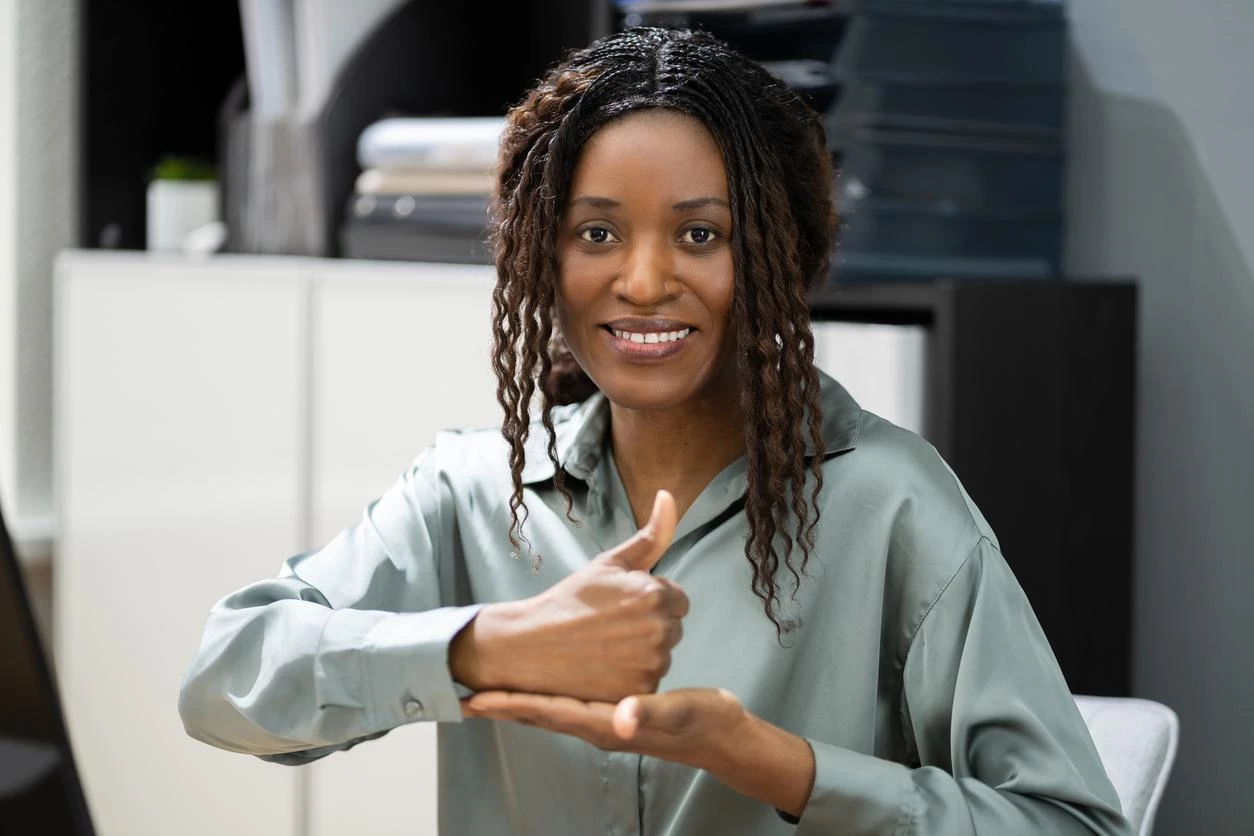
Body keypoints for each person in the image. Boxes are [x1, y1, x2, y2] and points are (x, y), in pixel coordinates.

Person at [179, 27, 1131, 836]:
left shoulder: (894, 503)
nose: (640, 281)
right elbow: (224, 682)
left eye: (700, 235)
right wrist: (484, 645)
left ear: (777, 251)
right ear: (542, 254)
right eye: (596, 234)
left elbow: (1073, 822)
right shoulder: (472, 491)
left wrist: (774, 763)